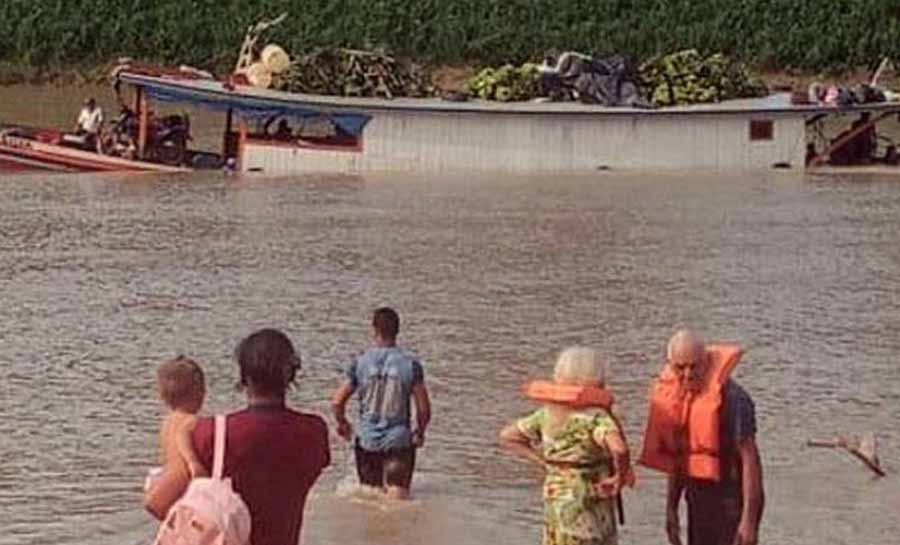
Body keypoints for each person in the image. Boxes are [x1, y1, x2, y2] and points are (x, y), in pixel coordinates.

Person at [145, 329, 330, 545]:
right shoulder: (314, 431)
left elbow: (157, 503)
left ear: (244, 376)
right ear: (290, 374)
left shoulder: (212, 433)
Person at [639, 330, 764, 545]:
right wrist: (671, 509)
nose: (687, 374)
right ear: (670, 365)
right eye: (680, 367)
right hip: (697, 500)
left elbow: (751, 461)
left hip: (731, 501)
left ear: (706, 362)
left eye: (694, 366)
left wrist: (749, 521)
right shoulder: (679, 400)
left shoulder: (734, 399)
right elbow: (679, 457)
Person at [499, 347, 633, 545]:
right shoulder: (596, 417)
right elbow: (619, 449)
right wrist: (620, 477)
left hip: (556, 501)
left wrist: (542, 461)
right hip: (589, 505)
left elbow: (508, 436)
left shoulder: (546, 415)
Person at [331, 307, 431, 500]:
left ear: (374, 330)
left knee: (368, 501)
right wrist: (420, 431)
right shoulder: (411, 365)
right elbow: (424, 409)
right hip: (398, 443)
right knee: (397, 506)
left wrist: (343, 423)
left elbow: (337, 402)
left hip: (367, 442)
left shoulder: (360, 363)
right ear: (397, 331)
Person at [143, 356, 208, 511]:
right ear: (201, 393)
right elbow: (182, 437)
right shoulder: (191, 422)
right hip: (181, 480)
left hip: (167, 479)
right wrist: (193, 462)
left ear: (162, 396)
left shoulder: (169, 421)